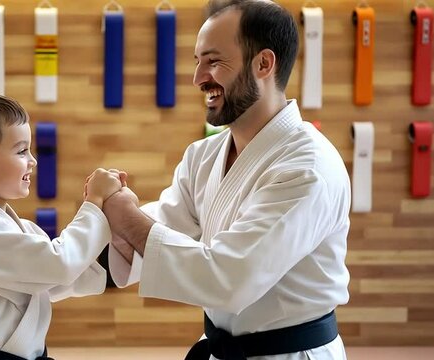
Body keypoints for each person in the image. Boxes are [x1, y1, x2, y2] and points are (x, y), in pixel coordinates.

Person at [102, 1, 351, 359]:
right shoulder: (203, 156)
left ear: (264, 64)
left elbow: (231, 278)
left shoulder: (308, 167)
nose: (198, 77)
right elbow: (155, 233)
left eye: (214, 61)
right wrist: (40, 267)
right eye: (198, 61)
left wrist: (126, 216)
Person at [0, 92, 123, 360]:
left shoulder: (16, 228)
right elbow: (60, 264)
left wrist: (130, 242)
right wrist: (94, 202)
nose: (33, 160)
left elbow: (54, 281)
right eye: (21, 151)